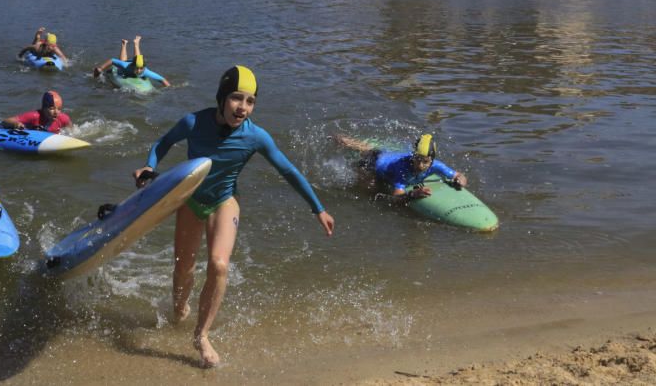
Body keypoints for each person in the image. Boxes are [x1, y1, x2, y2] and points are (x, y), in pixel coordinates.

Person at [132, 66, 334, 368]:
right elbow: (162, 144)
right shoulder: (194, 122)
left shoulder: (256, 137)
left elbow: (288, 171)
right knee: (183, 269)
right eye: (236, 98)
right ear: (222, 97)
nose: (243, 107)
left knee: (218, 264)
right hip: (190, 198)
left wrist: (318, 208)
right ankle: (179, 310)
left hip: (224, 201)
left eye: (250, 101)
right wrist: (148, 167)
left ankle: (201, 336)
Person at [333, 133, 468, 202]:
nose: (420, 165)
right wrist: (413, 194)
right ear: (412, 156)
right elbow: (396, 197)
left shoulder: (437, 165)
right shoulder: (402, 169)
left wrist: (460, 181)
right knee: (371, 190)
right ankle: (342, 140)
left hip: (389, 156)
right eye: (417, 160)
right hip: (375, 162)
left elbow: (458, 175)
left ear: (432, 160)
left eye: (425, 162)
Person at [92, 35, 170, 87]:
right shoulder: (125, 66)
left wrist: (169, 89)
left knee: (138, 59)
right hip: (126, 67)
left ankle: (136, 44)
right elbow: (112, 60)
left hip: (136, 62)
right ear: (133, 66)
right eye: (137, 68)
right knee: (123, 60)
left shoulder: (145, 71)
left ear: (144, 67)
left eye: (141, 68)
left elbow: (162, 79)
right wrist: (101, 68)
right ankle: (124, 44)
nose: (139, 71)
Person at [1, 90, 71, 134]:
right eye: (52, 109)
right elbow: (5, 121)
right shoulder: (34, 116)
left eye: (59, 109)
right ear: (44, 108)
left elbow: (72, 131)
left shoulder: (63, 119)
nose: (56, 112)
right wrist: (16, 124)